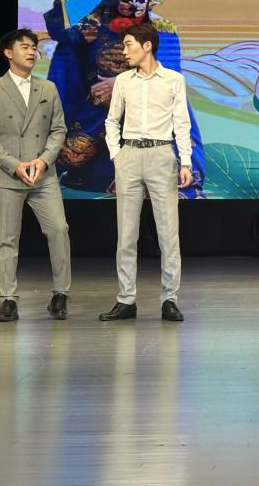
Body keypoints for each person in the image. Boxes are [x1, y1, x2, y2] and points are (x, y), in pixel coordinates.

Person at [44, 0, 205, 198]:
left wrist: (121, 84)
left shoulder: (161, 29)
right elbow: (63, 33)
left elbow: (168, 73)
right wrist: (59, 2)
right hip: (101, 104)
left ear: (149, 1)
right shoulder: (96, 25)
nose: (134, 5)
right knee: (73, 152)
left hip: (150, 103)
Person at [99, 22, 192, 322]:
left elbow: (182, 123)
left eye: (129, 45)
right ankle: (126, 299)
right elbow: (112, 120)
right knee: (126, 234)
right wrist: (116, 154)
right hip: (129, 154)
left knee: (168, 233)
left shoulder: (174, 80)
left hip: (161, 154)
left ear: (147, 45)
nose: (124, 51)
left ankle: (170, 299)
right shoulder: (123, 81)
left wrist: (186, 161)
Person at [0, 29, 71, 321]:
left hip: (42, 175)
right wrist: (14, 165)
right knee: (7, 238)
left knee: (59, 229)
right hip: (6, 175)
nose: (31, 51)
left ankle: (61, 294)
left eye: (33, 47)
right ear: (8, 53)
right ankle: (8, 299)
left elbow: (59, 129)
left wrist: (44, 161)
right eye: (24, 46)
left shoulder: (48, 88)